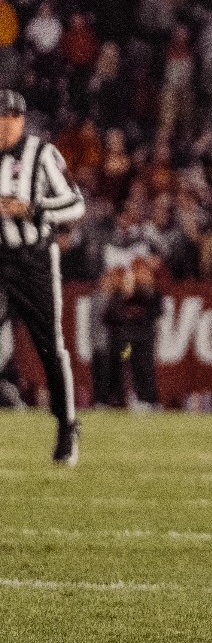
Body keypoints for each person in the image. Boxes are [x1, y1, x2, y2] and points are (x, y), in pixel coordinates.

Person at [0, 88, 83, 461]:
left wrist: (32, 209)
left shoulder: (42, 153)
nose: (5, 124)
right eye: (1, 116)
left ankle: (67, 427)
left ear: (23, 119)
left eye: (12, 117)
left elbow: (76, 203)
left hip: (33, 259)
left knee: (50, 345)